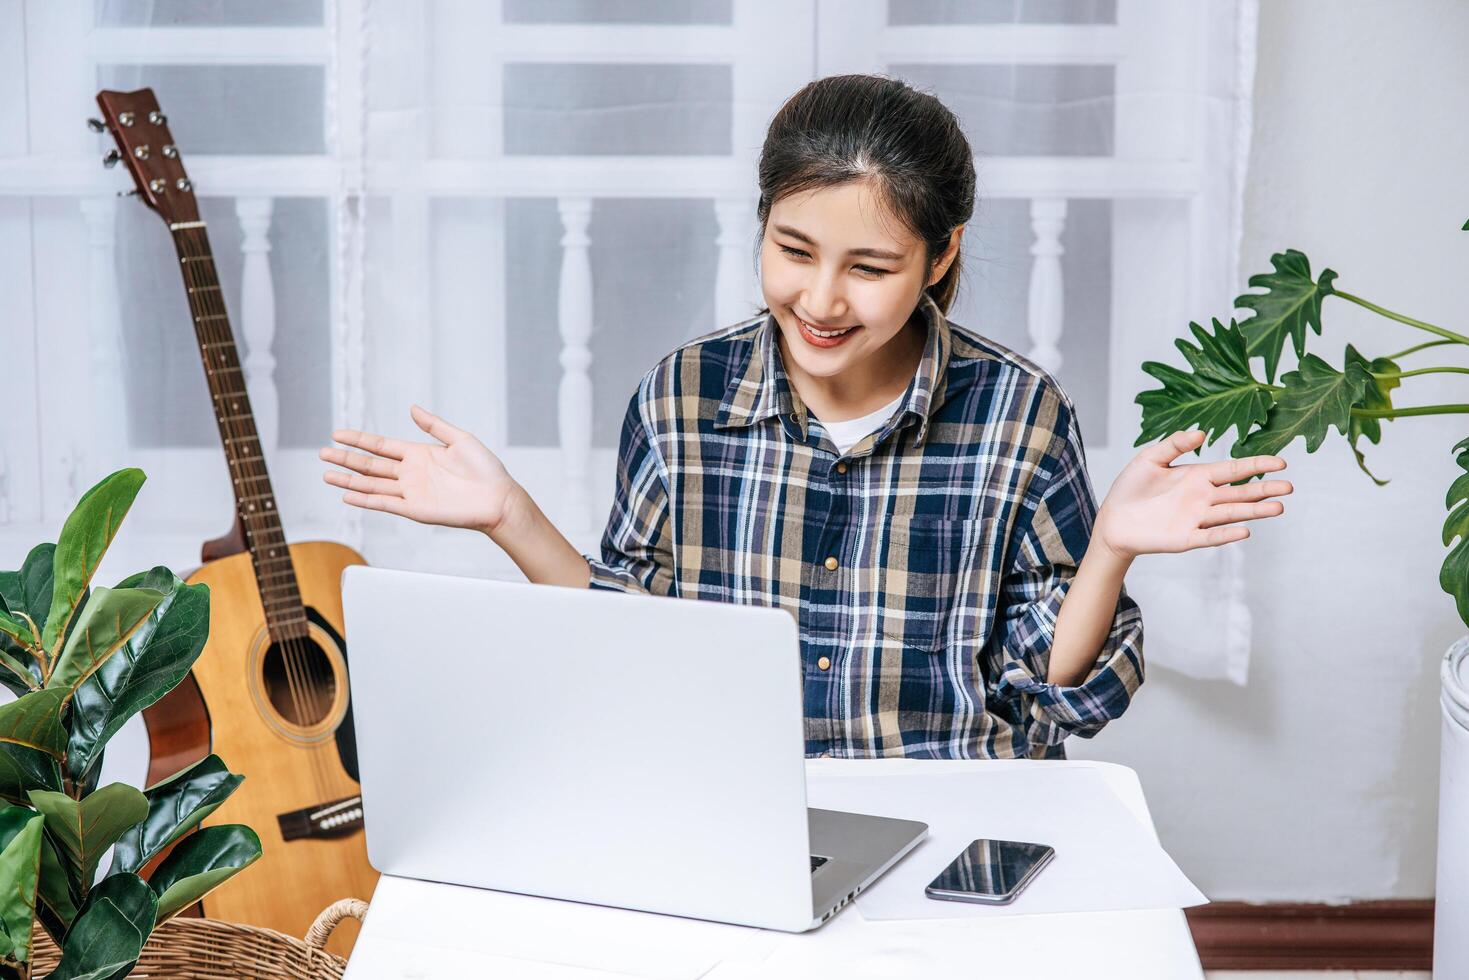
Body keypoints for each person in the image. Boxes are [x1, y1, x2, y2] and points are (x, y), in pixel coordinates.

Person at [319, 74, 1291, 760]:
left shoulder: (1018, 414)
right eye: (792, 248)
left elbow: (1049, 688)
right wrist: (509, 516)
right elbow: (630, 648)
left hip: (954, 800)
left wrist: (1108, 549)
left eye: (868, 268)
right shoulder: (682, 396)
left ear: (940, 255)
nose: (821, 298)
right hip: (723, 799)